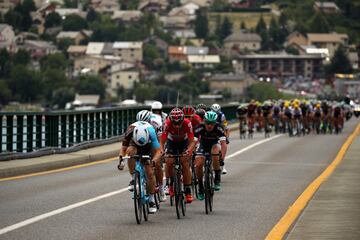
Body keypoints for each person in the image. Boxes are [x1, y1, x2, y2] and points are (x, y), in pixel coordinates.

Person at [118, 121, 162, 214]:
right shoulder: (130, 130)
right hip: (134, 144)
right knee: (130, 152)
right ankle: (133, 178)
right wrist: (121, 160)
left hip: (148, 145)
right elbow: (123, 148)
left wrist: (153, 161)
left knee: (150, 173)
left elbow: (158, 151)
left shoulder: (151, 132)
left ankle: (151, 199)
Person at [160, 108, 196, 203]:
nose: (176, 126)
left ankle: (187, 191)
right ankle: (171, 183)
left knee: (185, 163)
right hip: (171, 142)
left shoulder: (187, 123)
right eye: (174, 124)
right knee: (168, 161)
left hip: (184, 142)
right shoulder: (167, 124)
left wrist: (188, 151)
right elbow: (162, 141)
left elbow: (192, 141)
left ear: (182, 120)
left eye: (179, 123)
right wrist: (162, 151)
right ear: (171, 120)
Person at [194, 111, 227, 199]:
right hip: (203, 145)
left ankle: (217, 177)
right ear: (204, 121)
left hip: (214, 144)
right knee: (198, 164)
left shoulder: (219, 128)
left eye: (212, 123)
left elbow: (223, 144)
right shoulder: (200, 127)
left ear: (215, 122)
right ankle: (200, 186)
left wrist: (222, 159)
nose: (209, 126)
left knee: (215, 154)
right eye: (207, 123)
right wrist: (191, 153)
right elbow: (193, 142)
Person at [136, 110, 167, 202]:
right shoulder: (135, 126)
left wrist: (160, 153)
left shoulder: (155, 124)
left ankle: (161, 188)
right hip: (142, 141)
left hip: (154, 141)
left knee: (157, 164)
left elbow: (160, 141)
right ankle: (135, 178)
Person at [210, 103, 229, 174]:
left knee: (222, 146)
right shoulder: (208, 115)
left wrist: (226, 137)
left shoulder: (222, 115)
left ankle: (222, 164)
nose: (215, 114)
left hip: (219, 131)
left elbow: (225, 127)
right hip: (211, 131)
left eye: (217, 113)